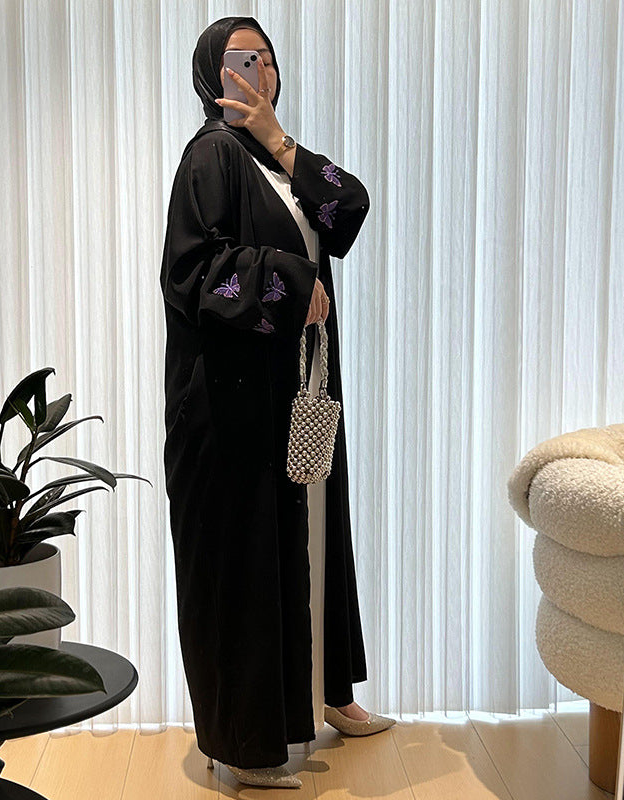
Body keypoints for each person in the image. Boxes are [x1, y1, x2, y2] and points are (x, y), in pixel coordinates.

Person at [160, 16, 395, 789]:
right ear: (211, 73)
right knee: (245, 561)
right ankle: (246, 742)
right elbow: (194, 276)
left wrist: (280, 138)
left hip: (295, 388)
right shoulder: (211, 157)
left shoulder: (272, 157)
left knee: (314, 535)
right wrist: (293, 285)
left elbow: (347, 212)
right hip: (230, 409)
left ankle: (328, 691)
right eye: (240, 58)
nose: (256, 70)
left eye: (265, 58)